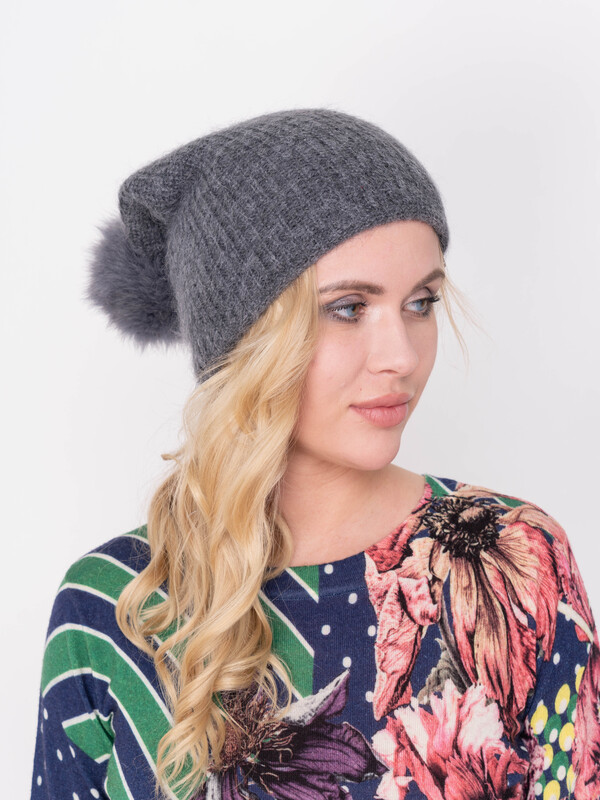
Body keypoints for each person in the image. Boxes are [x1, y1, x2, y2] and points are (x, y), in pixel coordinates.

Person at [30, 108, 600, 800]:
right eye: (349, 307)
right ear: (245, 339)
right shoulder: (112, 608)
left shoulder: (513, 556)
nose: (401, 356)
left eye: (421, 303)